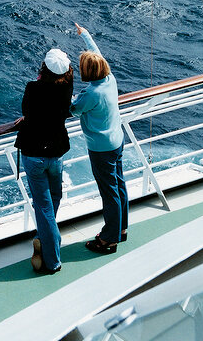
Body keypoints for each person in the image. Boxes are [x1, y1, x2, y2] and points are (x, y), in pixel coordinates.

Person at [72, 23, 128, 254]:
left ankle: (109, 239)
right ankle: (121, 229)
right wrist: (84, 34)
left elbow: (73, 109)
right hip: (117, 140)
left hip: (101, 149)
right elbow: (97, 53)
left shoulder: (91, 94)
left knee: (109, 192)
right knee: (119, 185)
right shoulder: (109, 79)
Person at [16, 47, 73, 275]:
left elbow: (27, 111)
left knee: (44, 206)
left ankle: (52, 261)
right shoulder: (67, 87)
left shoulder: (33, 88)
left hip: (34, 155)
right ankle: (44, 237)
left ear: (44, 68)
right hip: (55, 154)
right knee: (54, 198)